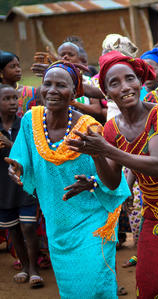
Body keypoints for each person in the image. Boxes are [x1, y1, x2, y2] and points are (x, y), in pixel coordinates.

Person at [66, 50, 158, 298]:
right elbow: (114, 181)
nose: (125, 87)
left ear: (141, 82)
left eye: (130, 79)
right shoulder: (112, 127)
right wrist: (97, 155)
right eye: (114, 83)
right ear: (106, 94)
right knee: (150, 283)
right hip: (155, 213)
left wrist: (107, 149)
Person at [6, 61, 130, 298]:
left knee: (95, 286)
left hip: (92, 220)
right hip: (58, 223)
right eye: (47, 84)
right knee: (72, 289)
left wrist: (93, 181)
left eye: (61, 85)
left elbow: (113, 181)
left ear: (75, 93)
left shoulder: (88, 128)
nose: (52, 90)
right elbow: (22, 158)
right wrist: (18, 169)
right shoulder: (30, 121)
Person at [0, 84, 42, 288]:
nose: (12, 102)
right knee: (13, 230)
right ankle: (24, 266)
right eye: (6, 99)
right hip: (3, 189)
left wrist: (10, 146)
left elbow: (34, 153)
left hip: (25, 185)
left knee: (28, 227)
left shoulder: (25, 125)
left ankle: (34, 268)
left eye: (14, 98)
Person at [0, 51, 40, 117]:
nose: (18, 70)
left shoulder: (32, 92)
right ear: (1, 71)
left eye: (18, 66)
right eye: (12, 67)